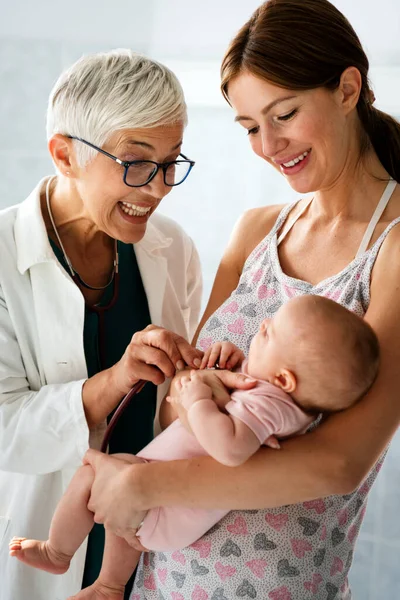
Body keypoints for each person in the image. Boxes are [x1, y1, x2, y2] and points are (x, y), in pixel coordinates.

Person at [78, 1, 400, 598]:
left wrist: (147, 487)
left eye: (284, 114)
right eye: (251, 127)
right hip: (164, 579)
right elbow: (177, 409)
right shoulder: (256, 231)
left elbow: (339, 464)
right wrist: (203, 379)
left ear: (349, 88)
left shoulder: (392, 248)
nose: (270, 144)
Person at [0, 49, 255, 600]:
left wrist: (206, 378)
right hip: (39, 537)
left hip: (145, 533)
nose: (158, 187)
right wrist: (115, 379)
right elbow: (4, 428)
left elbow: (168, 411)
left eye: (171, 163)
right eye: (137, 164)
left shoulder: (174, 249)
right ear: (64, 154)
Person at [9, 294, 380, 600]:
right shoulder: (277, 398)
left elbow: (230, 448)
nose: (262, 327)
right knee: (125, 514)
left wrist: (198, 398)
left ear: (283, 378)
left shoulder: (269, 403)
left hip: (169, 508)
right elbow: (234, 403)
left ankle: (58, 552)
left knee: (92, 473)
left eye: (269, 334)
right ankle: (109, 585)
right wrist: (226, 361)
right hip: (165, 506)